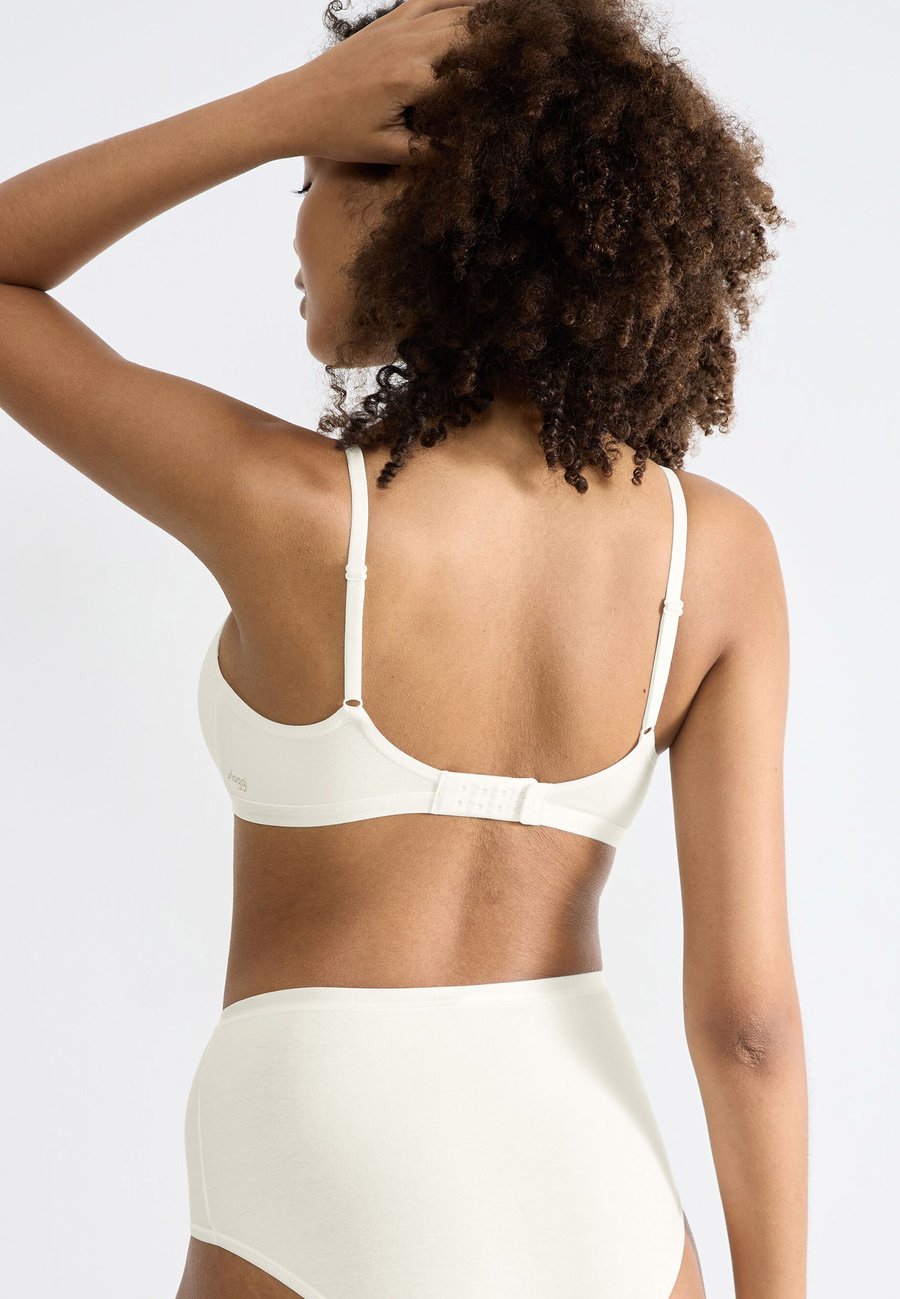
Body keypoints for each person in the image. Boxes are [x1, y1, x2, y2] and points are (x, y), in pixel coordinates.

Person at [0, 2, 808, 1296]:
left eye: (312, 180)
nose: (294, 229)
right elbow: (748, 1025)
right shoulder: (715, 555)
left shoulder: (296, 514)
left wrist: (273, 108)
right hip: (598, 1183)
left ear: (418, 208)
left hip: (319, 1171)